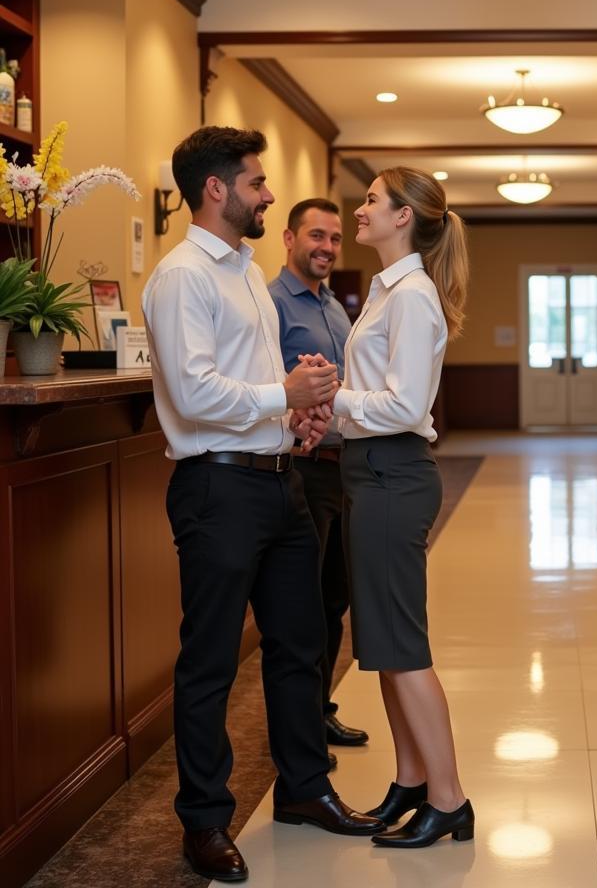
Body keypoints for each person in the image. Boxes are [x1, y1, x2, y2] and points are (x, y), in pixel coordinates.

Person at [142, 127, 384, 884]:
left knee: (301, 641)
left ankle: (305, 790)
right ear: (216, 189)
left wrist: (296, 417)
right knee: (211, 659)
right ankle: (205, 821)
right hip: (216, 487)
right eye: (256, 181)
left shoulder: (245, 271)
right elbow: (193, 392)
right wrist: (282, 394)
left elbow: (249, 381)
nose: (268, 192)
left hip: (279, 480)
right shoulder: (182, 277)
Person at [295, 167, 472, 848]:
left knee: (404, 647)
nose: (359, 209)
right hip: (370, 472)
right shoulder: (384, 292)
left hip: (395, 475)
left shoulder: (414, 297)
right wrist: (332, 402)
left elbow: (403, 405)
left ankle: (449, 797)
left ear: (404, 217)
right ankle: (412, 779)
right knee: (382, 645)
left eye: (371, 200)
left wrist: (326, 397)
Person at [267, 198, 369, 753]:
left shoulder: (335, 309)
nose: (327, 247)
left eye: (334, 238)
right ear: (288, 238)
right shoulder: (271, 304)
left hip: (339, 471)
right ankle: (299, 728)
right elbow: (265, 380)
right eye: (316, 236)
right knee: (301, 607)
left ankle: (320, 710)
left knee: (334, 601)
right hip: (299, 470)